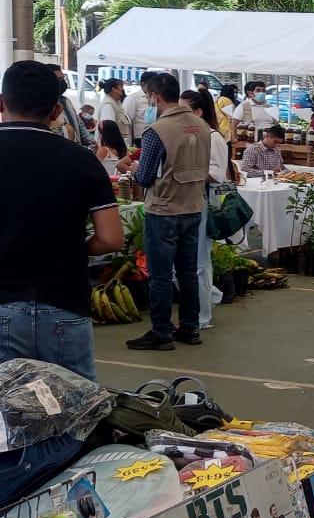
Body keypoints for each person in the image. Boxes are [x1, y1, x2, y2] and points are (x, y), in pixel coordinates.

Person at [0, 61, 124, 514]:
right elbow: (111, 238)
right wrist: (72, 249)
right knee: (72, 417)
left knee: (3, 421)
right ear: (56, 110)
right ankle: (71, 516)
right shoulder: (80, 159)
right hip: (63, 302)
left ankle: (3, 515)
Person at [120, 72, 211, 350]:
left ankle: (161, 331)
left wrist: (133, 168)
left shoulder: (157, 131)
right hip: (193, 206)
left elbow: (146, 176)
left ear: (154, 97)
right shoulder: (202, 126)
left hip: (164, 209)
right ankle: (190, 327)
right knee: (188, 272)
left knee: (160, 275)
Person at [180, 89, 231, 331]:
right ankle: (210, 297)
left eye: (184, 110)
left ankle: (203, 315)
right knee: (182, 263)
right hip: (186, 202)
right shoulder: (188, 136)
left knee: (200, 262)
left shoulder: (213, 138)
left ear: (198, 112)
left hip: (204, 202)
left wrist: (183, 173)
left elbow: (217, 174)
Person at [48, 65, 92, 147]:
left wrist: (89, 139)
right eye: (59, 79)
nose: (63, 82)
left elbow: (78, 123)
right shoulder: (47, 104)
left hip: (75, 148)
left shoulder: (66, 101)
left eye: (63, 78)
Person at [97, 78, 134, 147]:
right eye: (121, 87)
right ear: (114, 89)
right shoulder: (108, 105)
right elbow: (108, 129)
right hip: (114, 147)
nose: (122, 90)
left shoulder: (117, 103)